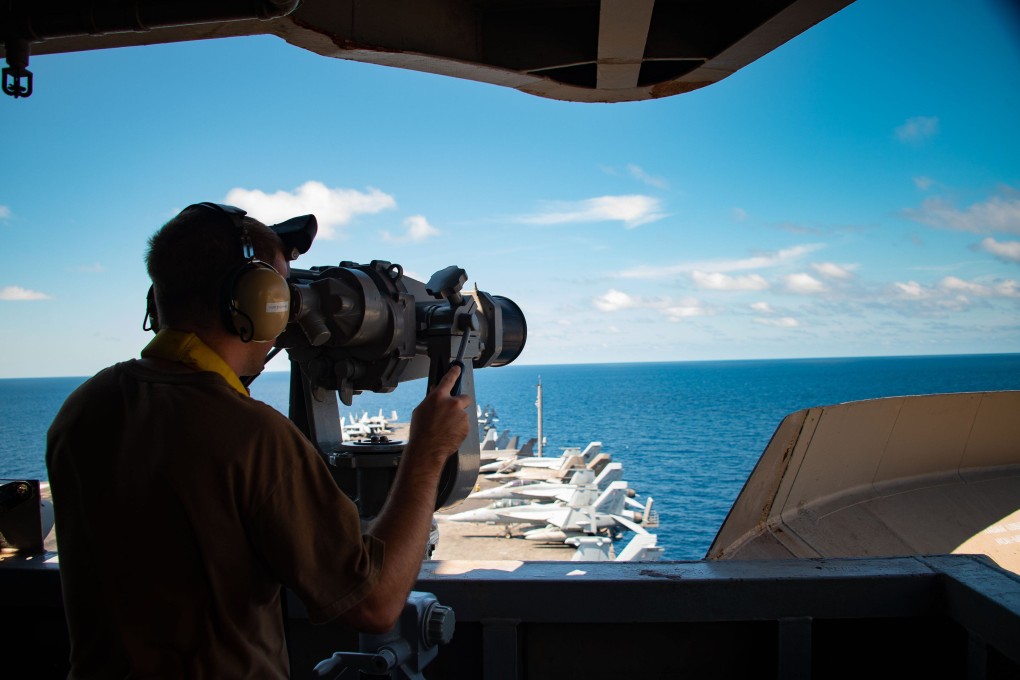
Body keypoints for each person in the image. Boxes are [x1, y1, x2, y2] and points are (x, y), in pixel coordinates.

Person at [46, 203, 472, 678]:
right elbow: (374, 605)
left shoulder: (84, 408)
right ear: (256, 301)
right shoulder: (251, 436)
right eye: (282, 292)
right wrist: (428, 451)